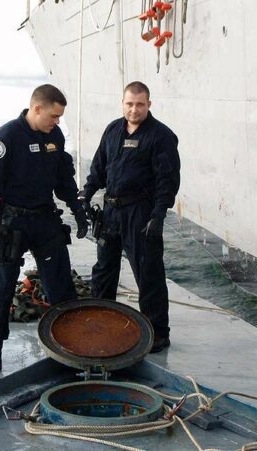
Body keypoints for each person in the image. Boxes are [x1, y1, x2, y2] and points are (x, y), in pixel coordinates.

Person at [0, 84, 89, 371]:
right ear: (36, 109)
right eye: (53, 116)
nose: (57, 122)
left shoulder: (55, 136)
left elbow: (63, 177)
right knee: (2, 285)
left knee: (60, 283)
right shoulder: (5, 138)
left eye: (60, 117)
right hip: (11, 222)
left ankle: (70, 342)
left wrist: (77, 209)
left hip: (44, 218)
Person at [80, 81, 180, 353]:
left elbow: (167, 181)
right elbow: (99, 168)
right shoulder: (113, 130)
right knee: (103, 271)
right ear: (122, 103)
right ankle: (101, 323)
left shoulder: (161, 136)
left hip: (140, 213)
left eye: (139, 104)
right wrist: (86, 194)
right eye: (129, 104)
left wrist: (159, 214)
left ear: (149, 104)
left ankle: (158, 333)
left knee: (148, 274)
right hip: (111, 212)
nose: (134, 109)